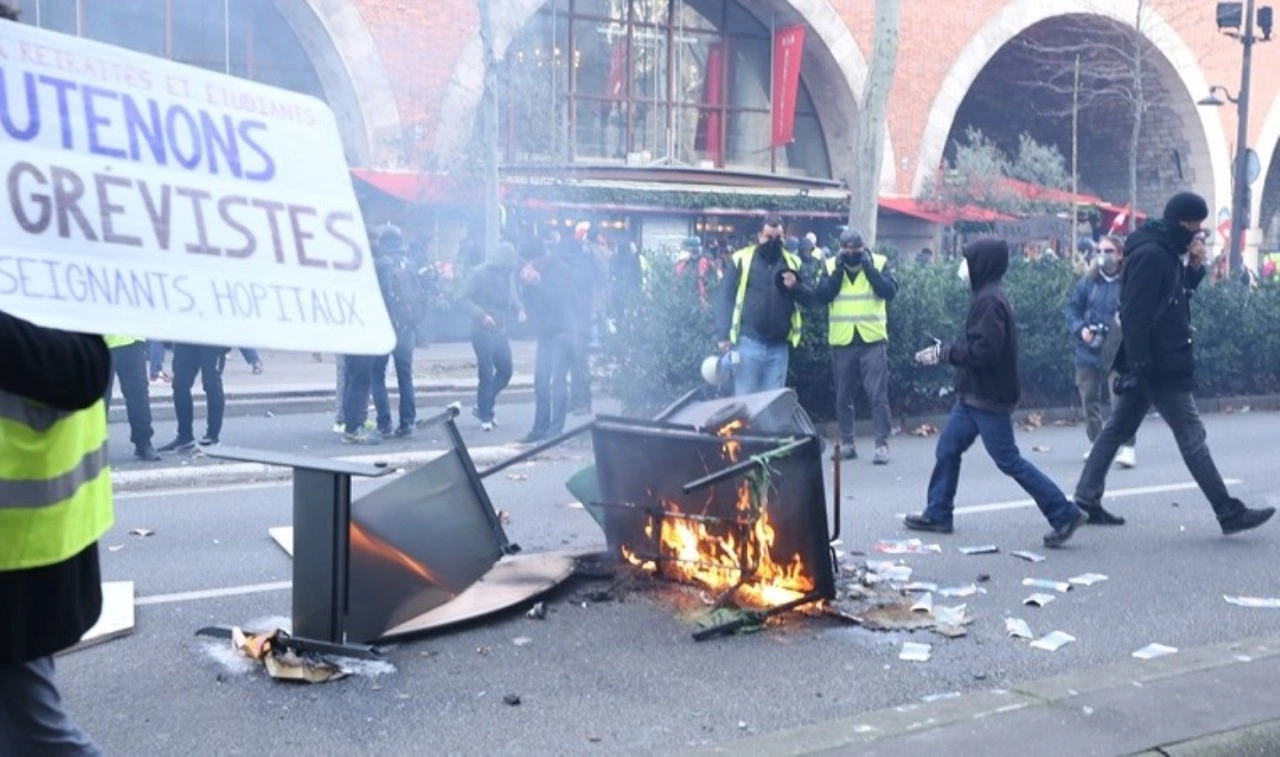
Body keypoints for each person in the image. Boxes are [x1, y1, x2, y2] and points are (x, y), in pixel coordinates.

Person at [1073, 192, 1275, 533]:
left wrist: (1194, 268)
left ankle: (1085, 498)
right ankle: (1227, 511)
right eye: (1196, 226)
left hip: (1155, 360)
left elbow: (1173, 298)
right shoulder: (1153, 254)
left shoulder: (1165, 250)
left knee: (1116, 429)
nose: (1198, 233)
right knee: (1191, 434)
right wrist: (1141, 365)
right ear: (1184, 222)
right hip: (1159, 363)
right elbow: (1136, 312)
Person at [904, 237, 1087, 548]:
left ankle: (1063, 512)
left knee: (1008, 460)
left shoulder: (989, 301)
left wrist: (946, 353)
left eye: (969, 260)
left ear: (982, 264)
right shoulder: (988, 296)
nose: (964, 267)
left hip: (988, 397)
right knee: (948, 448)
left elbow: (985, 350)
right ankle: (938, 513)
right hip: (974, 394)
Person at [0, 310, 113, 755]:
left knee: (33, 733)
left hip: (19, 550)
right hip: (20, 546)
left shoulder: (41, 272)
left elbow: (83, 370)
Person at [813, 229, 898, 464]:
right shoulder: (831, 265)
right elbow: (822, 295)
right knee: (843, 397)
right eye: (847, 249)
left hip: (872, 339)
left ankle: (881, 445)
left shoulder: (879, 262)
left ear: (863, 247)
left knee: (878, 396)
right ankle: (848, 443)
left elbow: (889, 291)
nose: (852, 253)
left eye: (856, 249)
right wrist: (837, 273)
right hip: (843, 340)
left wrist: (869, 270)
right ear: (840, 249)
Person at [715, 215, 816, 395]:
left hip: (778, 348)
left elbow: (811, 299)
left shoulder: (793, 262)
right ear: (759, 236)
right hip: (748, 344)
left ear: (784, 237)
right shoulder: (741, 259)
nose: (773, 242)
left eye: (778, 238)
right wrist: (723, 335)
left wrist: (796, 286)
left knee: (772, 405)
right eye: (768, 237)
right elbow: (725, 298)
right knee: (746, 404)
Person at [1066, 234, 1136, 468]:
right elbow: (1072, 311)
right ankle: (1098, 444)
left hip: (1118, 352)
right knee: (1089, 400)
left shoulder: (1128, 282)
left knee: (1121, 401)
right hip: (1088, 350)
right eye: (1100, 251)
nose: (1103, 256)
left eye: (1109, 251)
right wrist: (1081, 330)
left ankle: (1127, 447)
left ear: (1120, 255)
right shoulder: (1088, 282)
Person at [518, 236, 575, 443]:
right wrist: (527, 285)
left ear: (539, 257)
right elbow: (532, 302)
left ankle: (555, 429)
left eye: (530, 261)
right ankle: (539, 428)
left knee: (558, 382)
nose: (529, 266)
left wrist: (539, 283)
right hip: (545, 333)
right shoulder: (536, 271)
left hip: (563, 332)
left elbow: (559, 301)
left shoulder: (561, 270)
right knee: (541, 382)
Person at [463, 241, 525, 431]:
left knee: (506, 371)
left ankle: (483, 405)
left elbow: (512, 295)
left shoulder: (508, 274)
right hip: (481, 332)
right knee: (486, 374)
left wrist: (519, 308)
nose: (508, 271)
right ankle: (486, 414)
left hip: (500, 330)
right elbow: (463, 298)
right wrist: (481, 315)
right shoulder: (478, 273)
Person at [370, 224, 425, 437]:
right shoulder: (410, 262)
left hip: (385, 327)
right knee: (405, 375)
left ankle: (384, 423)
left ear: (382, 242)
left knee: (377, 375)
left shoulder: (380, 264)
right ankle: (407, 422)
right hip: (406, 328)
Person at [158, 343, 227, 451]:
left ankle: (212, 436)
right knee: (180, 385)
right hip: (187, 339)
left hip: (213, 339)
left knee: (212, 384)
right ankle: (185, 436)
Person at [103, 335, 160, 461]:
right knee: (100, 399)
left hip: (133, 339)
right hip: (103, 342)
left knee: (139, 394)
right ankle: (94, 446)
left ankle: (143, 442)